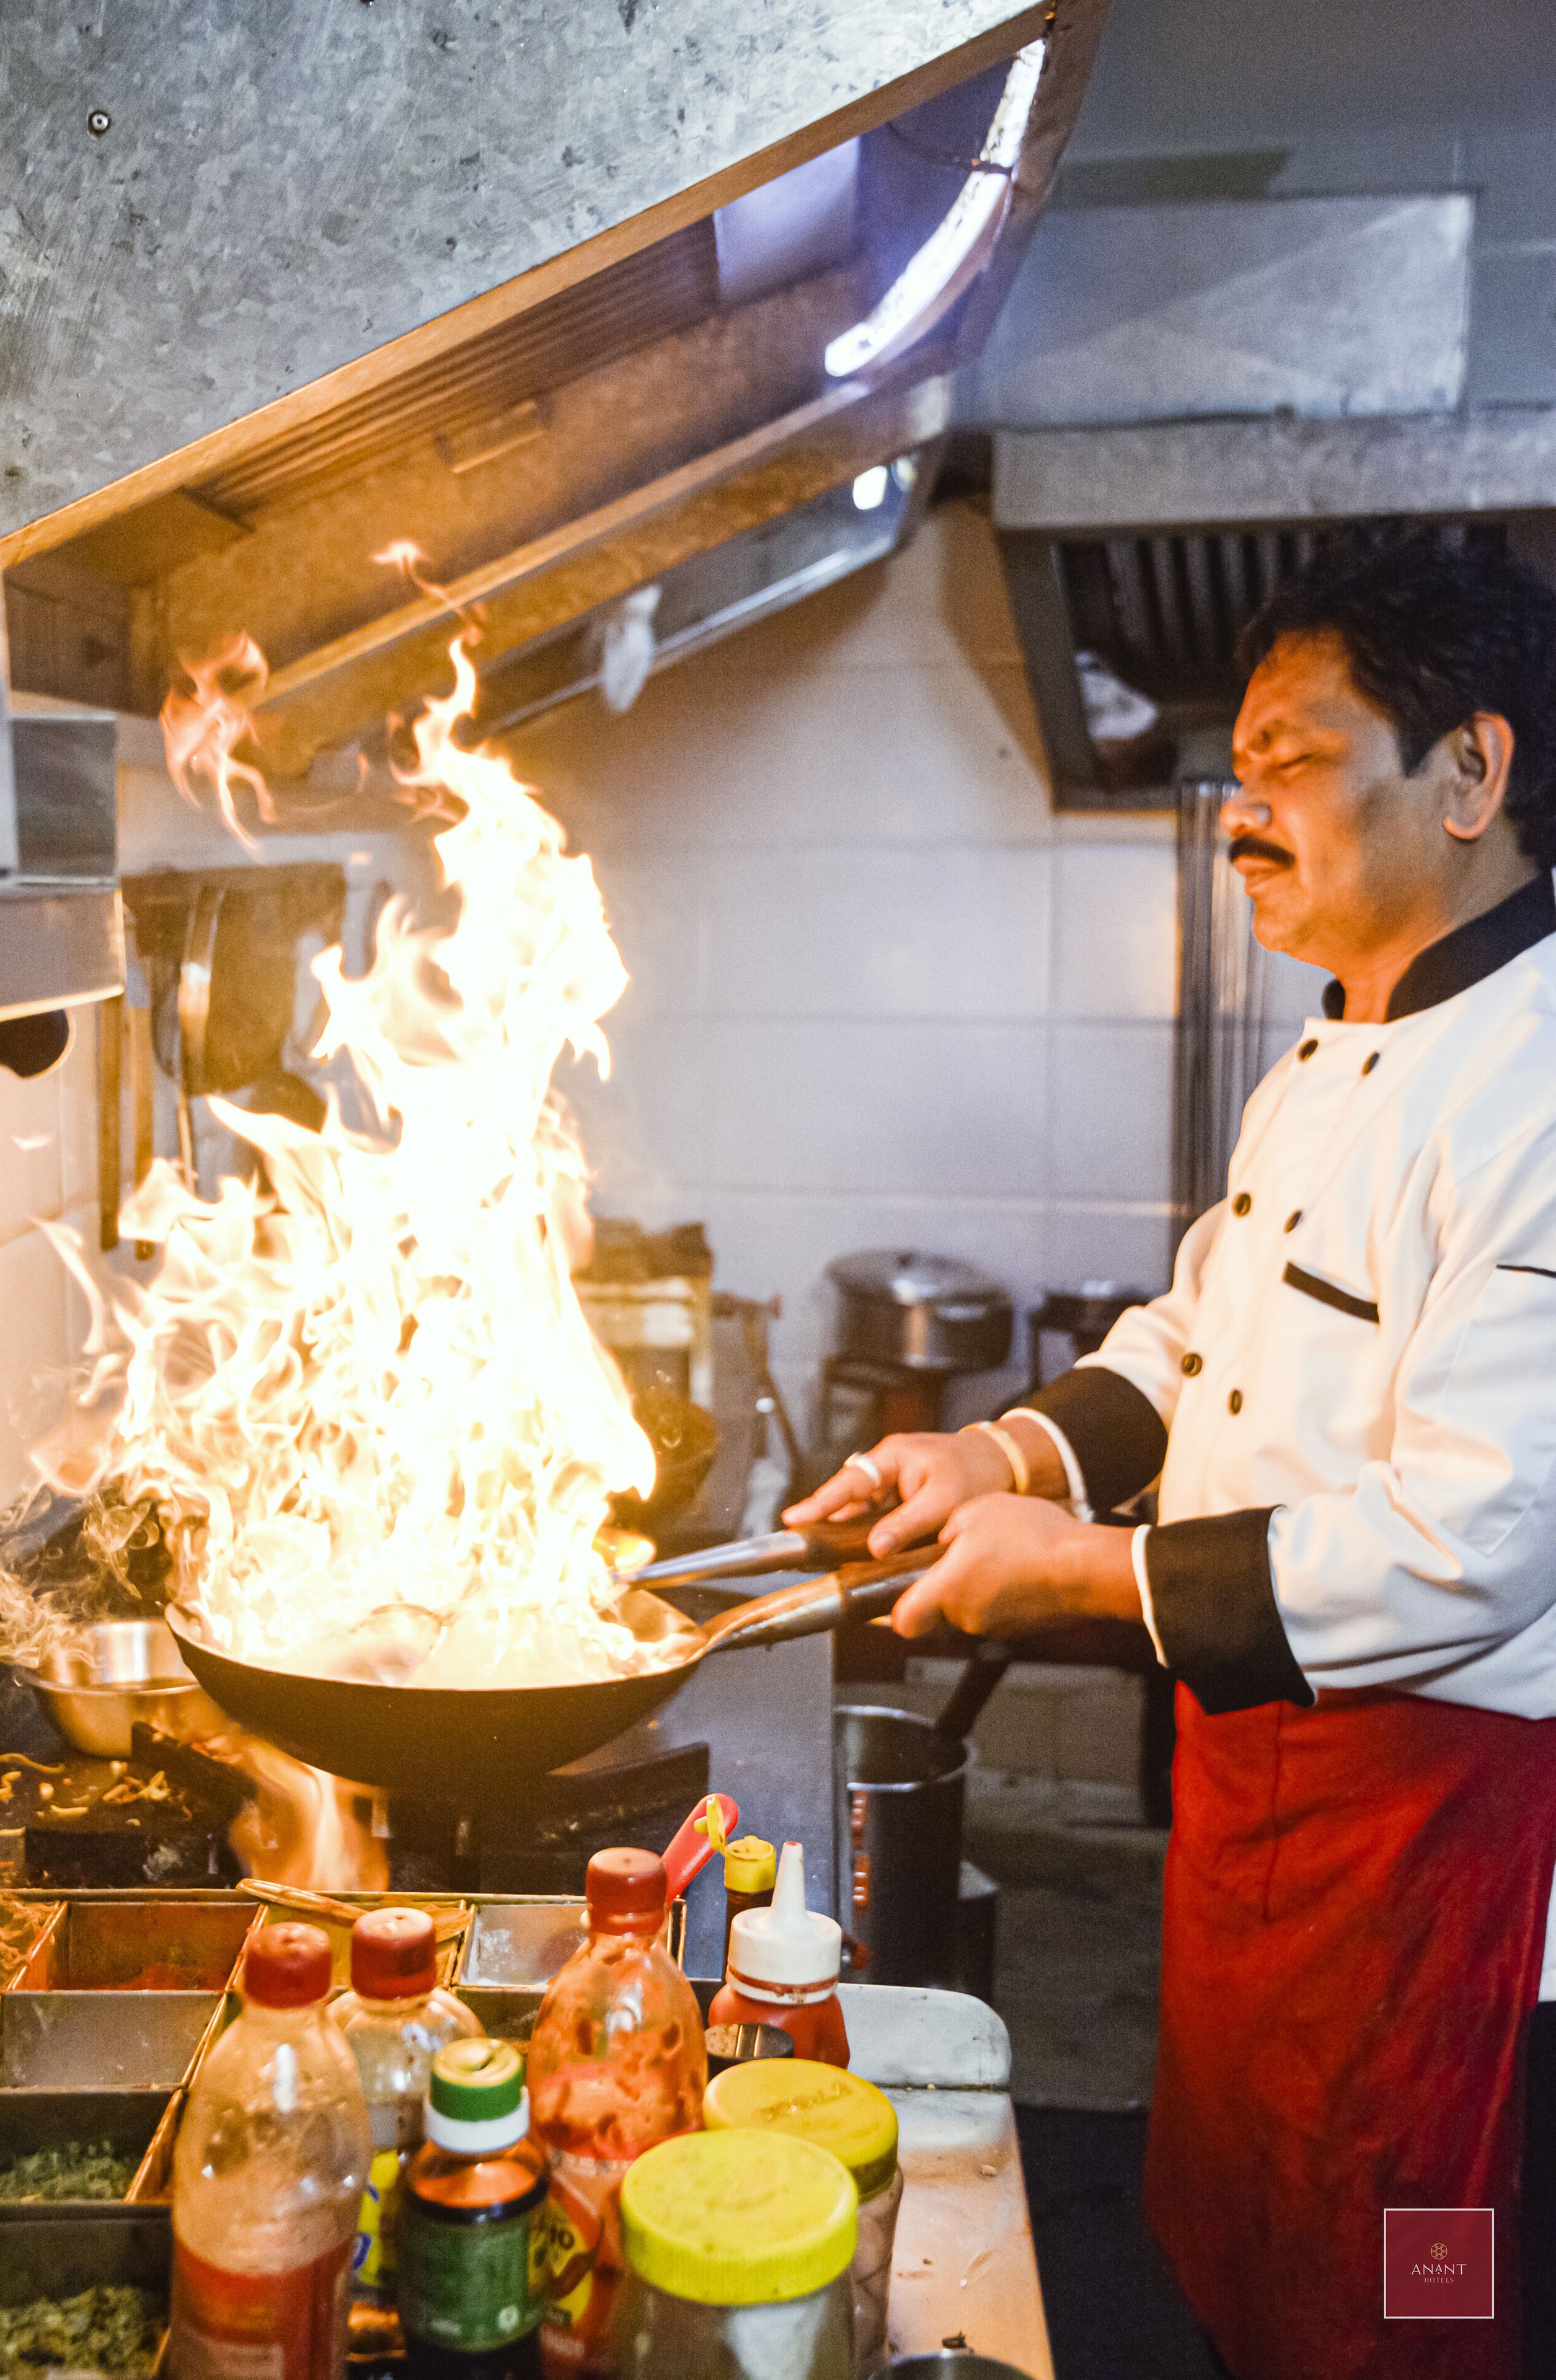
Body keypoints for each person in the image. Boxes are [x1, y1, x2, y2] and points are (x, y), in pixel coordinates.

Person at [787, 534, 1556, 2380]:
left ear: (1471, 771)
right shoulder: (1339, 1045)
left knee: (1406, 2285)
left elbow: (1478, 1539)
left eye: (1292, 759)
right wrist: (1005, 1457)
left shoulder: (1536, 1077)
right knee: (1242, 2229)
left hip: (1435, 1838)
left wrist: (1091, 1578)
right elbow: (1196, 1331)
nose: (1238, 808)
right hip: (1265, 1800)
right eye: (1240, 764)